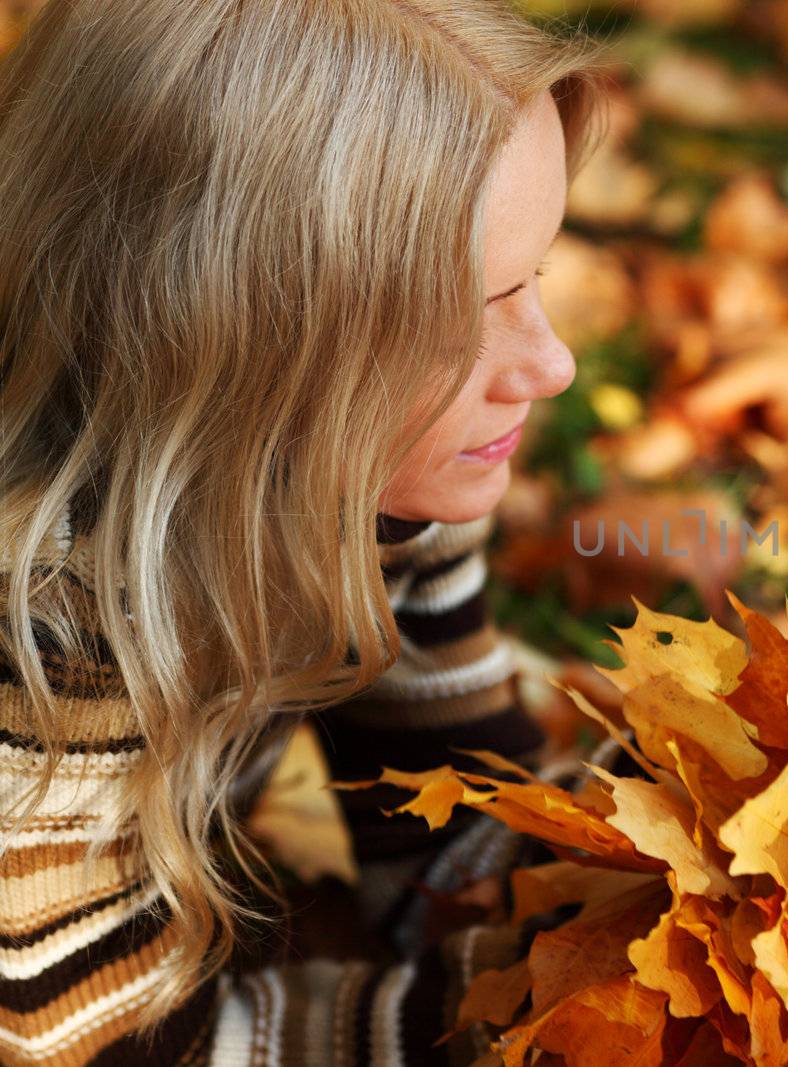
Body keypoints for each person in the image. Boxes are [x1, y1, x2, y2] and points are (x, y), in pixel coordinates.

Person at [0, 1, 615, 1062]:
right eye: (467, 312)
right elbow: (127, 1049)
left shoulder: (362, 475)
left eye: (536, 277)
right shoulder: (42, 650)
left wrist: (690, 892)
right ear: (228, 340)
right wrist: (574, 1013)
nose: (549, 364)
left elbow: (444, 815)